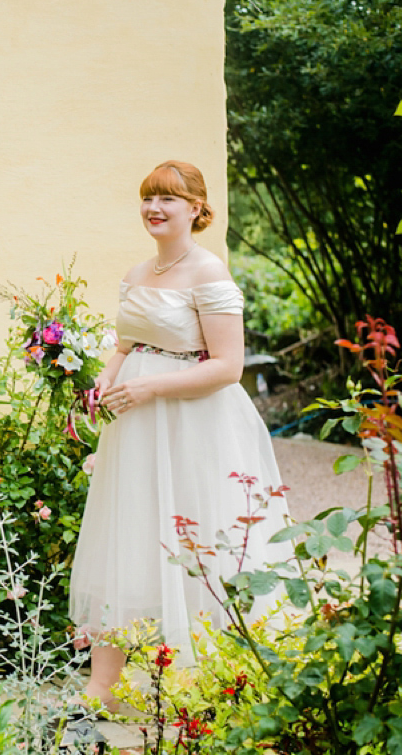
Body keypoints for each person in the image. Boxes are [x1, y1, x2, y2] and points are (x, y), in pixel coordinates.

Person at [68, 160, 292, 707]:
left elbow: (227, 367)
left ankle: (219, 683)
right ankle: (103, 685)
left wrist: (149, 389)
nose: (155, 208)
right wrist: (104, 380)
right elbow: (125, 344)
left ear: (196, 208)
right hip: (136, 428)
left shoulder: (210, 273)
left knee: (201, 538)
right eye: (148, 198)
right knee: (125, 536)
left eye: (168, 199)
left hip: (196, 425)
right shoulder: (138, 272)